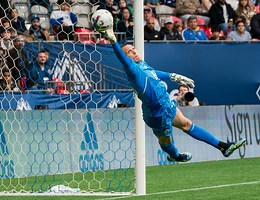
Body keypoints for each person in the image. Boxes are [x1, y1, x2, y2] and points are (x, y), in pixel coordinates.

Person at [104, 28, 246, 162]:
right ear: (126, 57)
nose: (134, 51)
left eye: (133, 48)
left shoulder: (142, 65)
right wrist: (113, 41)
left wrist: (173, 76)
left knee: (186, 123)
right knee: (166, 141)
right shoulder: (133, 70)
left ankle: (223, 146)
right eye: (129, 51)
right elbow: (122, 58)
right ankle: (176, 156)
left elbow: (154, 73)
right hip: (156, 114)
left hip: (166, 105)